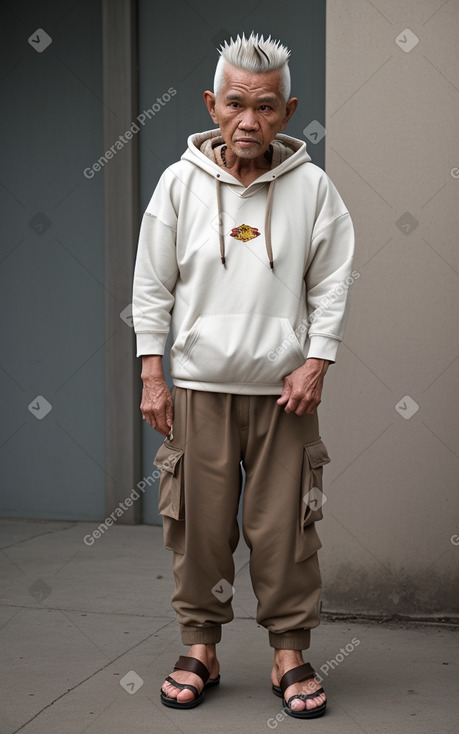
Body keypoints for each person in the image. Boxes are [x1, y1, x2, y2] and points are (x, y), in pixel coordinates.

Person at [132, 32, 354, 719]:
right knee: (197, 526)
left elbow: (333, 282)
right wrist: (152, 374)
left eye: (263, 107)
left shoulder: (313, 188)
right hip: (199, 388)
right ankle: (200, 646)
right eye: (234, 104)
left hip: (285, 395)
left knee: (286, 528)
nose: (248, 121)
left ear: (287, 111)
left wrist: (317, 360)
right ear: (212, 105)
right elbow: (151, 285)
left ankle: (288, 652)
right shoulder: (178, 184)